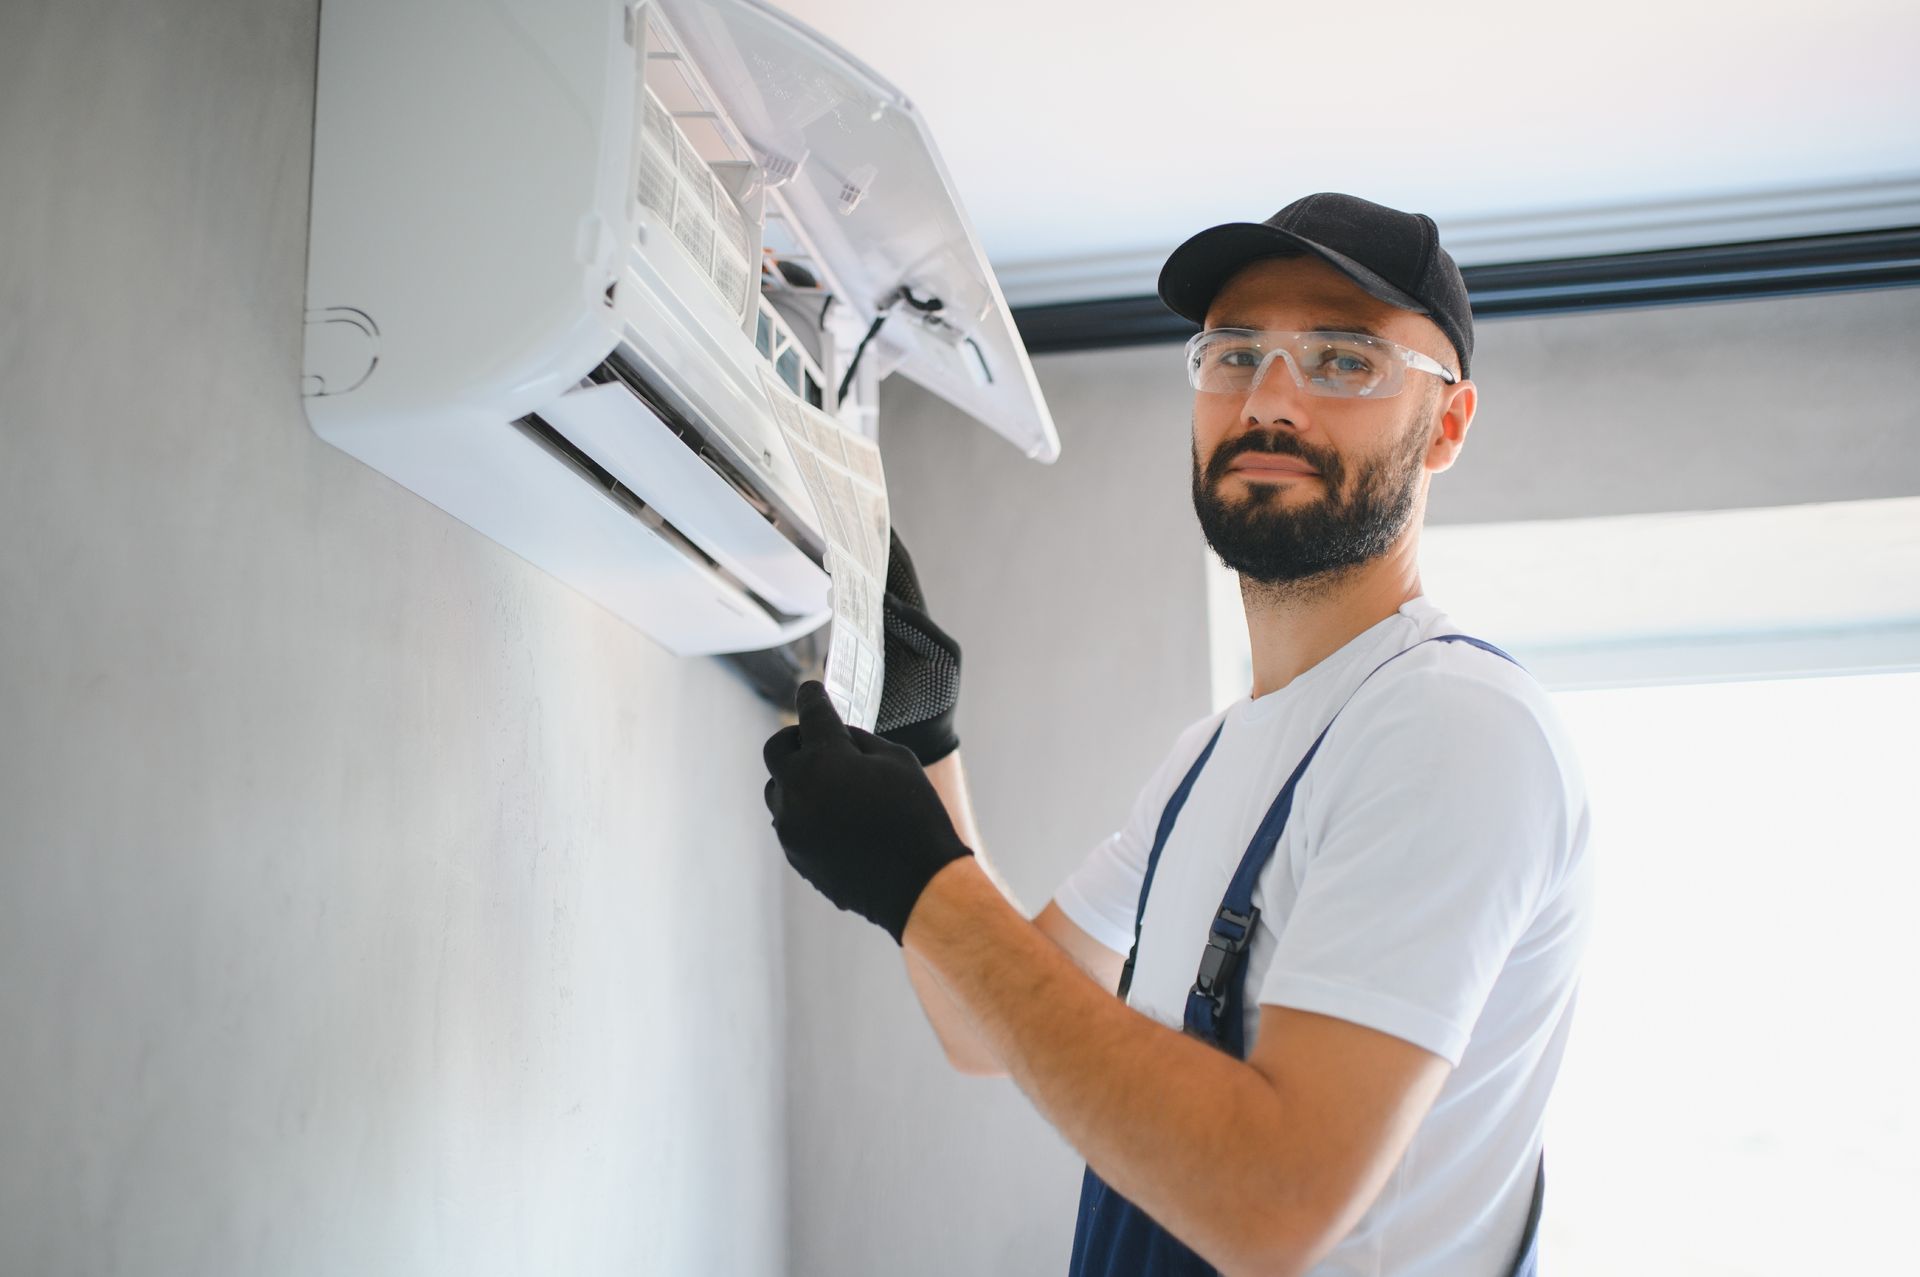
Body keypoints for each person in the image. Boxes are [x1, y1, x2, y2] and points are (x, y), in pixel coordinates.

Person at [761, 192, 1594, 1277]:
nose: (1271, 397)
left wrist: (924, 880)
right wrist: (925, 737)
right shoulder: (1207, 763)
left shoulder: (1452, 727)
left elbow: (1272, 1201)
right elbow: (987, 1024)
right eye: (1233, 353)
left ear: (1445, 423)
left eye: (1343, 359)